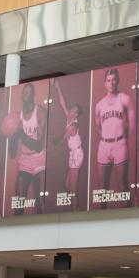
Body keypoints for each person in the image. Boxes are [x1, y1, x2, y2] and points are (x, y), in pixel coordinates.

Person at [94, 68, 135, 208]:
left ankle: (131, 218)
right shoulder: (99, 105)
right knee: (102, 190)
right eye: (108, 80)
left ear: (118, 81)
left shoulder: (125, 99)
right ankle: (101, 222)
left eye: (113, 80)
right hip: (104, 146)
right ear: (105, 83)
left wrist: (122, 141)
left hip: (120, 143)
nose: (111, 83)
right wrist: (107, 138)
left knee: (123, 186)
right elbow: (98, 127)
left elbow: (132, 125)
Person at [10, 83, 47, 214]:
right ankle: (15, 232)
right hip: (25, 159)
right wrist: (11, 137)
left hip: (39, 159)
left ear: (33, 95)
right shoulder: (16, 117)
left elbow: (38, 146)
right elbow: (12, 154)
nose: (25, 94)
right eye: (23, 92)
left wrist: (21, 134)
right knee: (18, 201)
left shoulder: (40, 112)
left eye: (28, 92)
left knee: (41, 202)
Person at [52, 78, 84, 211]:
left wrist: (57, 142)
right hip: (73, 153)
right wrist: (57, 87)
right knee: (66, 185)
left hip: (77, 154)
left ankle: (74, 213)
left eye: (73, 109)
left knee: (72, 188)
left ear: (75, 114)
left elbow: (65, 136)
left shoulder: (74, 124)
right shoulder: (69, 118)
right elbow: (62, 103)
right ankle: (74, 206)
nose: (70, 109)